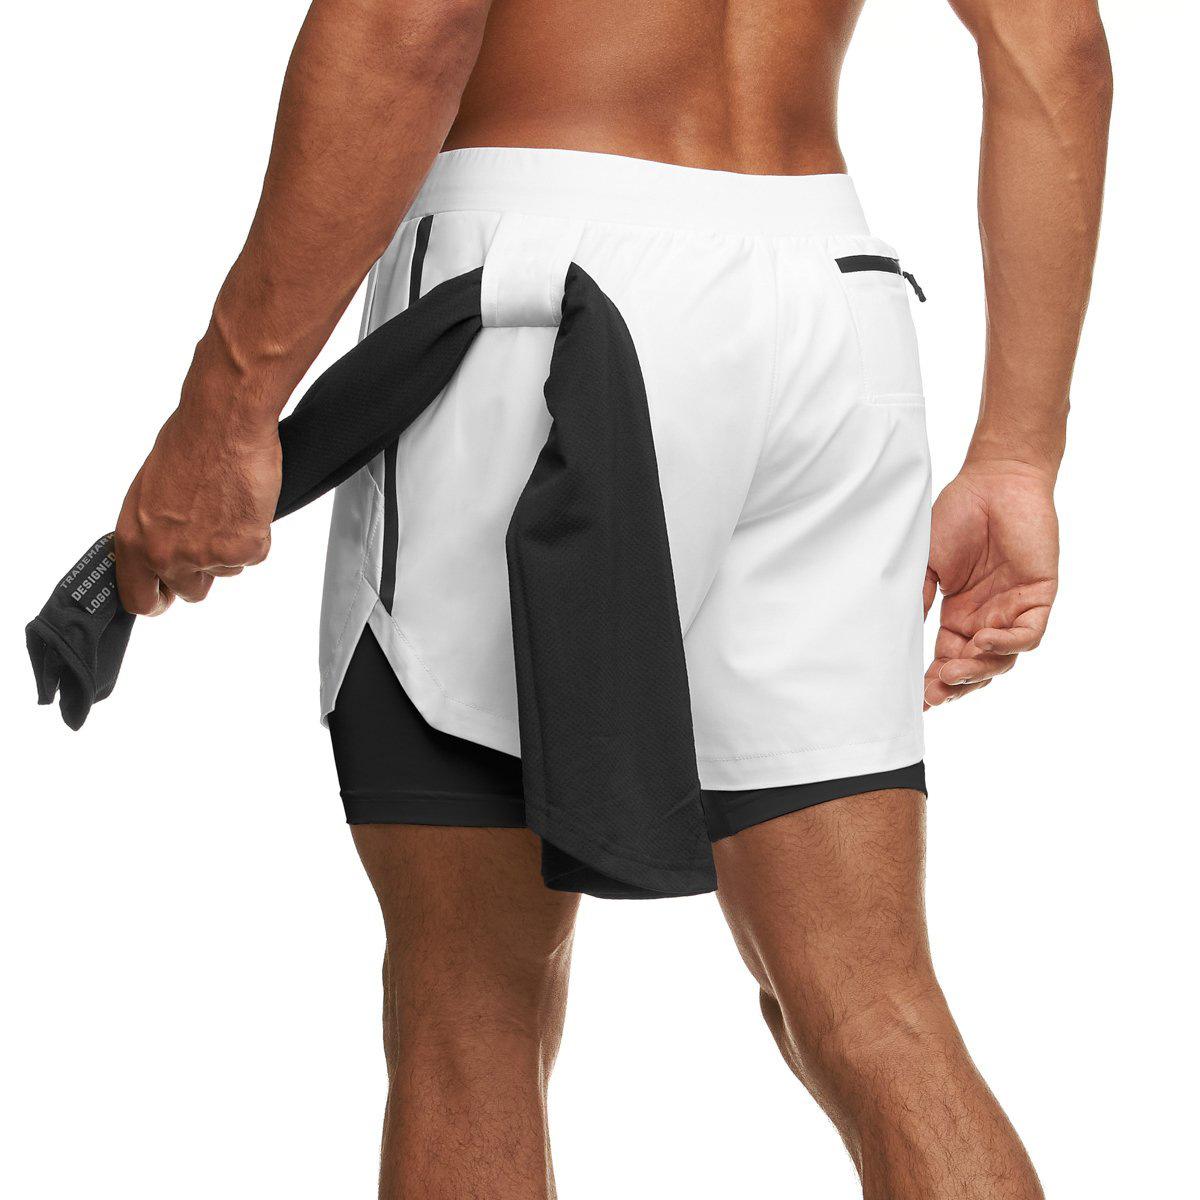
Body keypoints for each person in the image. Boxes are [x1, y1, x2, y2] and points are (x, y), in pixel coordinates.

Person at [111, 0, 1112, 1195]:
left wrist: (225, 408)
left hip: (538, 293)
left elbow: (409, 20)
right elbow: (1054, 41)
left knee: (470, 1007)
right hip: (830, 301)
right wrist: (1017, 454)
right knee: (871, 999)